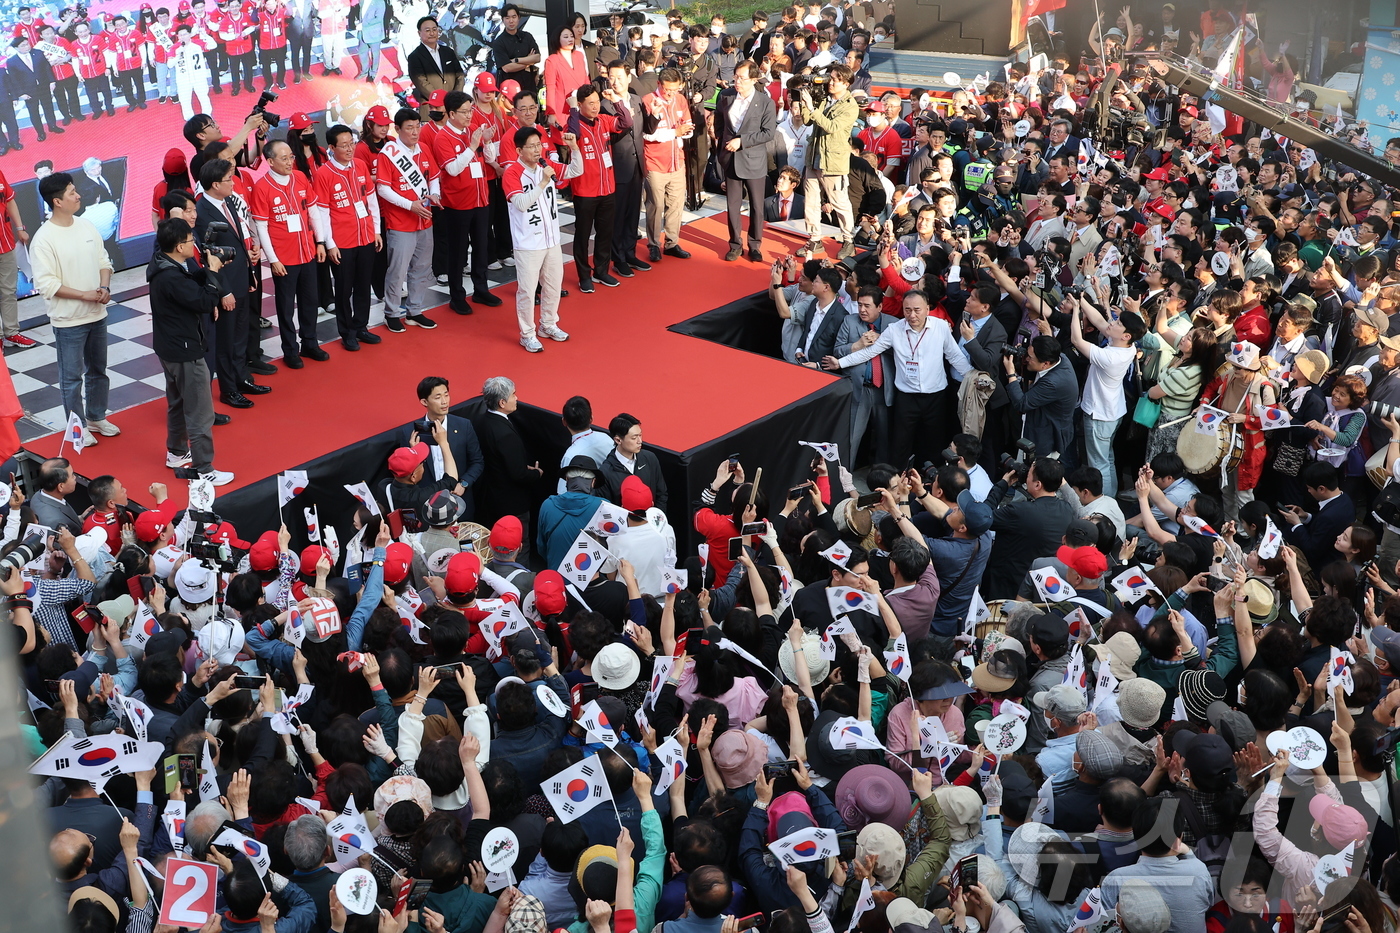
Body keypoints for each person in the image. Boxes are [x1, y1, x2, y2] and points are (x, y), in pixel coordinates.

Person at [823, 290, 972, 466]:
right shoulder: (894, 330)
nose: (912, 315)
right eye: (907, 310)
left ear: (927, 308)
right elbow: (870, 352)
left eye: (917, 309)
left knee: (933, 441)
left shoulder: (940, 327)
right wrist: (840, 363)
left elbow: (954, 356)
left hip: (935, 396)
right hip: (906, 397)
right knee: (901, 443)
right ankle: (897, 481)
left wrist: (972, 377)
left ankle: (929, 481)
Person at [29, 171, 115, 448]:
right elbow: (47, 284)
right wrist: (84, 295)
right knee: (71, 379)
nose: (78, 196)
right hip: (68, 321)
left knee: (98, 370)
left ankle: (96, 417)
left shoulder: (86, 225)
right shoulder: (43, 239)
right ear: (57, 201)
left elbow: (104, 259)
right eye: (71, 193)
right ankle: (76, 429)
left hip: (97, 314)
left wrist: (104, 288)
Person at [147, 217, 233, 484]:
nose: (192, 245)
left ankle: (176, 452)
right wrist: (215, 273)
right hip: (185, 350)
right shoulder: (171, 277)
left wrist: (208, 268)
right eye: (188, 242)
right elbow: (205, 301)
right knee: (200, 412)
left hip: (169, 348)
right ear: (178, 246)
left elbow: (191, 281)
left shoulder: (163, 264)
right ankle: (204, 469)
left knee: (177, 402)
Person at [503, 123, 582, 352]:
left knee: (553, 284)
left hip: (551, 240)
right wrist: (543, 183)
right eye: (532, 146)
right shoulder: (512, 173)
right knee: (527, 291)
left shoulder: (545, 166)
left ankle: (548, 324)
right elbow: (520, 203)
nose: (538, 150)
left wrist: (574, 149)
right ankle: (526, 333)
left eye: (539, 145)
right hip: (528, 243)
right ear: (519, 151)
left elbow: (575, 171)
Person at [253, 139, 327, 370]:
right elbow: (261, 227)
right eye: (284, 158)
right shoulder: (262, 188)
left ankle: (310, 343)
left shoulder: (301, 178)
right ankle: (290, 350)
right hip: (284, 258)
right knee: (285, 306)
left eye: (291, 157)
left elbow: (313, 211)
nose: (289, 162)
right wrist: (273, 260)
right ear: (270, 161)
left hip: (307, 252)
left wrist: (321, 242)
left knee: (310, 301)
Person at [313, 123, 382, 351]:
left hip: (366, 237)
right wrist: (329, 244)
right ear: (331, 148)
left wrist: (377, 231)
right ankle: (347, 332)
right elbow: (322, 212)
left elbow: (371, 200)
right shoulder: (324, 174)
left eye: (351, 143)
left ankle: (361, 326)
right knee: (344, 289)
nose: (350, 149)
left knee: (364, 285)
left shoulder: (360, 166)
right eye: (344, 146)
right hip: (342, 242)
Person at [433, 89, 502, 315]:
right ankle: (457, 295)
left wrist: (488, 141)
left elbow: (489, 159)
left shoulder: (473, 130)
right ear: (451, 114)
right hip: (458, 204)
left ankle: (481, 289)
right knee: (458, 251)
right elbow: (452, 169)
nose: (469, 116)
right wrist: (472, 146)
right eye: (464, 112)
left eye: (470, 110)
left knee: (481, 247)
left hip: (481, 199)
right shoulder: (442, 138)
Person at [376, 107, 441, 333]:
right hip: (400, 222)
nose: (415, 132)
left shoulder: (423, 148)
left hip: (425, 220)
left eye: (417, 126)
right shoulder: (388, 153)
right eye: (409, 128)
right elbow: (383, 189)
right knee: (398, 270)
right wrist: (410, 205)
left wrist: (435, 195)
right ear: (397, 129)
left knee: (422, 268)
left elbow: (433, 177)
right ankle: (392, 312)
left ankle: (415, 310)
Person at [566, 83, 631, 293]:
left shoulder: (603, 120)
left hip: (607, 189)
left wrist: (615, 100)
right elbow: (573, 135)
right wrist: (573, 111)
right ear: (580, 105)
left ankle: (601, 271)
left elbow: (626, 121)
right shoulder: (574, 124)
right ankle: (584, 275)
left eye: (597, 102)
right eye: (590, 103)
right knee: (583, 235)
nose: (595, 107)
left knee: (605, 232)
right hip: (585, 191)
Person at [396, 376, 484, 521]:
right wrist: (414, 455)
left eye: (446, 395)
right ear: (424, 402)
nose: (445, 401)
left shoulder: (464, 426)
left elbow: (477, 461)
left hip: (458, 502)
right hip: (427, 505)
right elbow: (405, 477)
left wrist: (464, 483)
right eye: (438, 397)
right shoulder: (409, 433)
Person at [793, 62, 858, 258]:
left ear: (846, 84)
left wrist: (812, 107)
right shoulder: (824, 98)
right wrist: (807, 103)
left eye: (837, 80)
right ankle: (814, 239)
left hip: (833, 160)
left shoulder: (850, 106)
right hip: (814, 156)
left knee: (839, 202)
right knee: (810, 202)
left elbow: (830, 126)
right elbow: (807, 120)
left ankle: (848, 240)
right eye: (831, 78)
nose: (831, 83)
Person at [475, 375, 542, 554]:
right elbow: (518, 474)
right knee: (519, 546)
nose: (517, 398)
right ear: (502, 403)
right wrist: (536, 474)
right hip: (512, 504)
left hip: (490, 498)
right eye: (514, 395)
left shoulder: (481, 422)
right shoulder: (505, 434)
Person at [717, 61, 776, 263]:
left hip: (753, 160)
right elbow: (719, 124)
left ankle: (755, 244)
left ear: (753, 79)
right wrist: (722, 145)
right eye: (735, 77)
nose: (737, 81)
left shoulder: (765, 102)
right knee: (733, 205)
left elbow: (768, 133)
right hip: (730, 159)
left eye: (742, 78)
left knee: (757, 207)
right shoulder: (725, 96)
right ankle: (735, 244)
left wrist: (742, 142)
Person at [641, 68, 693, 264]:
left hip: (677, 161)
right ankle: (654, 244)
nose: (671, 93)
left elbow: (688, 126)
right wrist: (676, 132)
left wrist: (683, 132)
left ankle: (672, 243)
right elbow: (648, 135)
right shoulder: (648, 101)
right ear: (659, 85)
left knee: (676, 204)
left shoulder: (680, 99)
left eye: (675, 89)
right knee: (655, 205)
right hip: (655, 162)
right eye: (668, 90)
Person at [598, 413, 668, 511]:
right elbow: (607, 509)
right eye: (634, 438)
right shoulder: (605, 473)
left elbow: (662, 494)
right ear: (618, 440)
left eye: (640, 435)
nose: (640, 441)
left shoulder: (650, 458)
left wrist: (656, 521)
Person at [407, 15, 464, 120]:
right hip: (431, 110)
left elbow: (459, 75)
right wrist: (441, 101)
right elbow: (421, 83)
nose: (432, 33)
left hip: (452, 110)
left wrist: (454, 99)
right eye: (427, 30)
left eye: (434, 29)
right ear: (419, 33)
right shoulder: (414, 57)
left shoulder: (448, 51)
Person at [492, 3, 540, 95]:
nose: (511, 21)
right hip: (509, 90)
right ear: (503, 20)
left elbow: (537, 58)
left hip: (529, 86)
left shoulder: (527, 36)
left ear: (519, 18)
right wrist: (528, 63)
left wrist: (517, 60)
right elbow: (507, 67)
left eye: (514, 17)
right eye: (507, 18)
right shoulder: (499, 42)